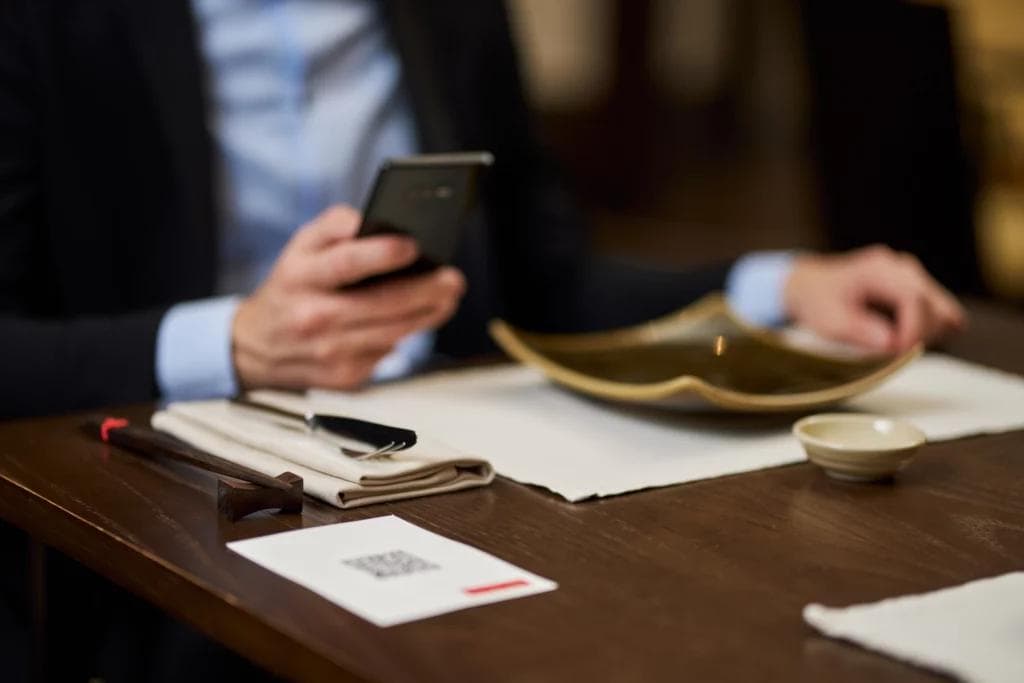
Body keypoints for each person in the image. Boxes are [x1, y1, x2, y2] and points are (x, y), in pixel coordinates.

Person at [0, 0, 964, 679]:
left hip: (460, 468)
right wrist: (235, 342)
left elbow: (550, 277)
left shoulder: (445, 12)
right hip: (179, 488)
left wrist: (783, 283)